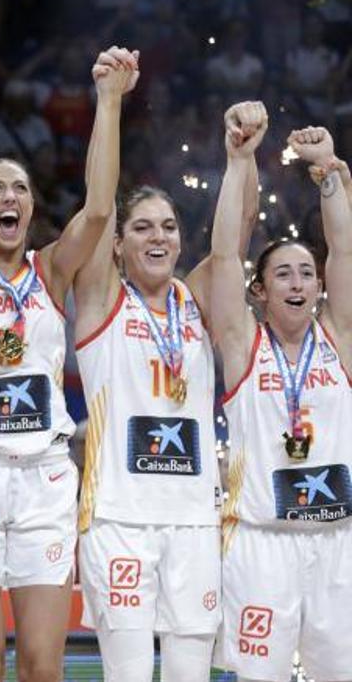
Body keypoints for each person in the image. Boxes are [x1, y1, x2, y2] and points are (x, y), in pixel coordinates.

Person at [0, 46, 138, 682]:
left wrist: (110, 101)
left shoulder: (53, 271)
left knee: (43, 667)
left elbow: (98, 209)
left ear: (31, 209)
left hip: (43, 479)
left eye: (20, 189)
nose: (9, 197)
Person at [70, 100, 265, 681]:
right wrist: (108, 102)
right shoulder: (102, 300)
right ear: (118, 245)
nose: (159, 238)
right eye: (143, 228)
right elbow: (98, 208)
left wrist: (241, 159)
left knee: (190, 674)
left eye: (169, 227)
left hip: (194, 523)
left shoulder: (196, 297)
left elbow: (237, 237)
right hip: (119, 520)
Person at [210, 122, 352, 681]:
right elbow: (223, 256)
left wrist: (330, 172)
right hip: (260, 545)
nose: (298, 282)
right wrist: (239, 162)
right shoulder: (243, 343)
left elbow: (344, 247)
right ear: (260, 291)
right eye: (282, 274)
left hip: (338, 543)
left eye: (307, 274)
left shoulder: (340, 338)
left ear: (319, 287)